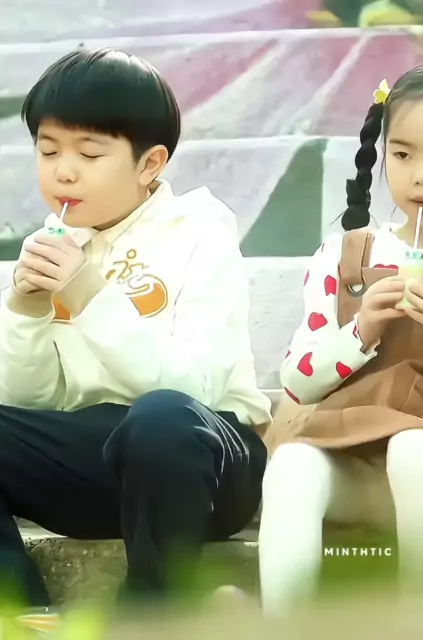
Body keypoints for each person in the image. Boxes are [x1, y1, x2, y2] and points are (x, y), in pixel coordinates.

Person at [0, 47, 271, 607]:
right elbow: (33, 402)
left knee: (161, 418)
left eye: (88, 153)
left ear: (150, 164)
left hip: (204, 465)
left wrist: (90, 294)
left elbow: (193, 390)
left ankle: (150, 614)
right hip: (96, 461)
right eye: (48, 150)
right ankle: (21, 612)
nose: (63, 170)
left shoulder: (200, 231)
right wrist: (26, 311)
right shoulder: (55, 245)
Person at [259, 61, 423, 615]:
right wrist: (360, 332)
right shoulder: (348, 255)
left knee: (417, 448)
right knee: (291, 465)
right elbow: (299, 383)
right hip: (351, 456)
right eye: (402, 154)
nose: (421, 176)